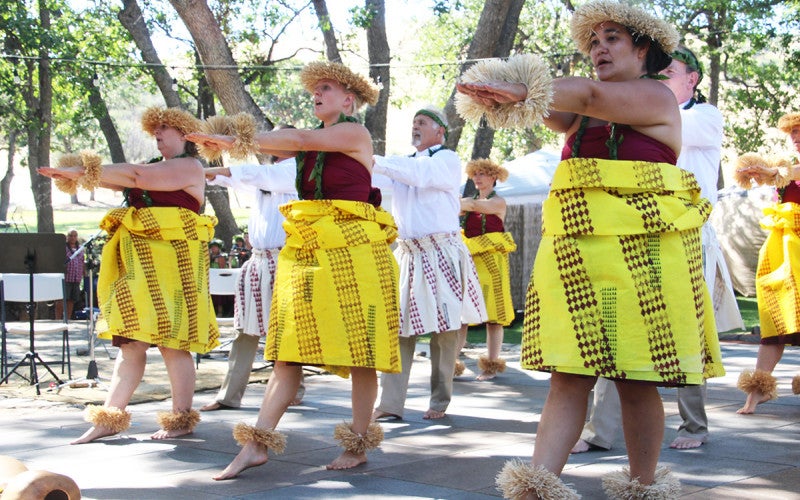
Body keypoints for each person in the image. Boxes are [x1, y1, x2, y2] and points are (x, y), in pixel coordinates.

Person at [456, 1, 725, 497]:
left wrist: (522, 90)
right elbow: (556, 109)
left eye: (612, 39)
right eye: (593, 41)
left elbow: (585, 93)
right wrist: (499, 94)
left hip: (644, 251)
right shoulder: (581, 114)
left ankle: (642, 487)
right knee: (567, 375)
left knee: (636, 378)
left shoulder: (656, 97)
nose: (599, 48)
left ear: (644, 50)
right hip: (578, 249)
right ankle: (537, 488)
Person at [186, 60, 401, 479]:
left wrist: (231, 138)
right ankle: (255, 445)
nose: (316, 94)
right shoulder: (308, 145)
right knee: (287, 354)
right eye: (314, 89)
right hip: (306, 253)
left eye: (325, 88)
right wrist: (226, 144)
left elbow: (297, 137)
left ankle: (357, 445)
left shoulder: (354, 132)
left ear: (348, 99)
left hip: (356, 253)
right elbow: (273, 153)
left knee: (362, 355)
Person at [571, 45, 744, 454]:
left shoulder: (704, 117)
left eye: (668, 73)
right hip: (632, 231)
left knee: (682, 329)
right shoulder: (638, 108)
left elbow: (641, 113)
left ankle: (693, 424)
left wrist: (617, 94)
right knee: (613, 324)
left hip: (683, 234)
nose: (659, 80)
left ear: (692, 80)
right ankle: (600, 431)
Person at [38, 106, 219, 444]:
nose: (158, 133)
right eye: (156, 128)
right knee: (131, 345)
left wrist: (83, 169)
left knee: (172, 344)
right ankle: (110, 417)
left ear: (185, 135)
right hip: (138, 268)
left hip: (174, 268)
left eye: (166, 127)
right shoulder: (154, 166)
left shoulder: (190, 166)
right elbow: (119, 178)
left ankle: (181, 419)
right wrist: (74, 176)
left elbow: (135, 177)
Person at [370, 106, 486, 421]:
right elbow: (380, 180)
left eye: (422, 122)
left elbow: (422, 176)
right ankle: (390, 403)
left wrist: (375, 160)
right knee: (399, 329)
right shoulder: (403, 164)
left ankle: (439, 402)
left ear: (440, 131)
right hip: (409, 254)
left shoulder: (446, 160)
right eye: (414, 122)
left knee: (445, 331)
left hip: (442, 251)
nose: (416, 126)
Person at [199, 123, 304, 413]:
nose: (269, 144)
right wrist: (203, 172)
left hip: (285, 260)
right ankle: (229, 395)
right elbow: (235, 178)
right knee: (245, 329)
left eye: (276, 139)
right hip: (258, 260)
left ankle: (294, 387)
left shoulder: (296, 170)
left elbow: (256, 175)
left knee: (284, 330)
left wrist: (210, 168)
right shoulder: (268, 174)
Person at [735, 111, 800, 414]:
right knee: (773, 321)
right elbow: (780, 174)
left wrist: (768, 172)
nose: (795, 138)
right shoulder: (785, 168)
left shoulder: (789, 170)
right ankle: (757, 392)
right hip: (781, 252)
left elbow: (791, 173)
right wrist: (756, 171)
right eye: (793, 133)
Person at [456, 159, 516, 381]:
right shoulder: (468, 202)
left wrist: (456, 202)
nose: (478, 178)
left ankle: (490, 365)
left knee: (494, 315)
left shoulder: (498, 202)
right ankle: (451, 364)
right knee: (463, 314)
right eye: (475, 174)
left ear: (494, 177)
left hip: (492, 261)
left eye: (483, 174)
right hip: (471, 261)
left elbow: (471, 206)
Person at [56, 229, 85, 321]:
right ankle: (57, 319)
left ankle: (67, 319)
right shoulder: (63, 248)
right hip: (65, 277)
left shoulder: (80, 249)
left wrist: (84, 274)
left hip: (76, 278)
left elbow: (82, 262)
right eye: (71, 236)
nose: (73, 238)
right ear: (67, 237)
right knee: (61, 299)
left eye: (75, 236)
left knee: (71, 300)